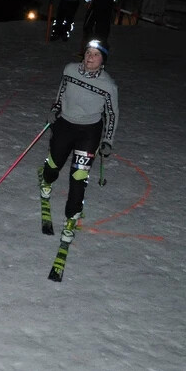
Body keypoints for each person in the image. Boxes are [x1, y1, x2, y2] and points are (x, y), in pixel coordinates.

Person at [37, 39, 118, 251]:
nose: (90, 57)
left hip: (89, 132)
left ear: (103, 61)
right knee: (54, 163)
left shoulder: (108, 85)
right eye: (88, 52)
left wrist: (108, 140)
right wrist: (54, 109)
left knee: (78, 177)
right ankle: (47, 180)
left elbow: (111, 114)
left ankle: (71, 217)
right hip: (65, 124)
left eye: (95, 54)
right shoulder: (70, 70)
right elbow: (61, 93)